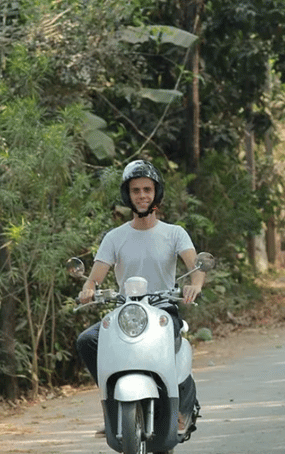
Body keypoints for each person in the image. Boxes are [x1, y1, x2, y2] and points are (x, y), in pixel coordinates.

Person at [76, 160, 205, 435]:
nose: (142, 195)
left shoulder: (173, 233)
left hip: (162, 308)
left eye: (147, 189)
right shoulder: (115, 237)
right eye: (136, 190)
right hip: (127, 310)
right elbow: (96, 276)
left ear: (155, 193)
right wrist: (87, 288)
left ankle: (182, 409)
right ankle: (113, 406)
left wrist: (195, 286)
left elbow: (195, 269)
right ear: (128, 195)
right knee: (87, 341)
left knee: (172, 347)